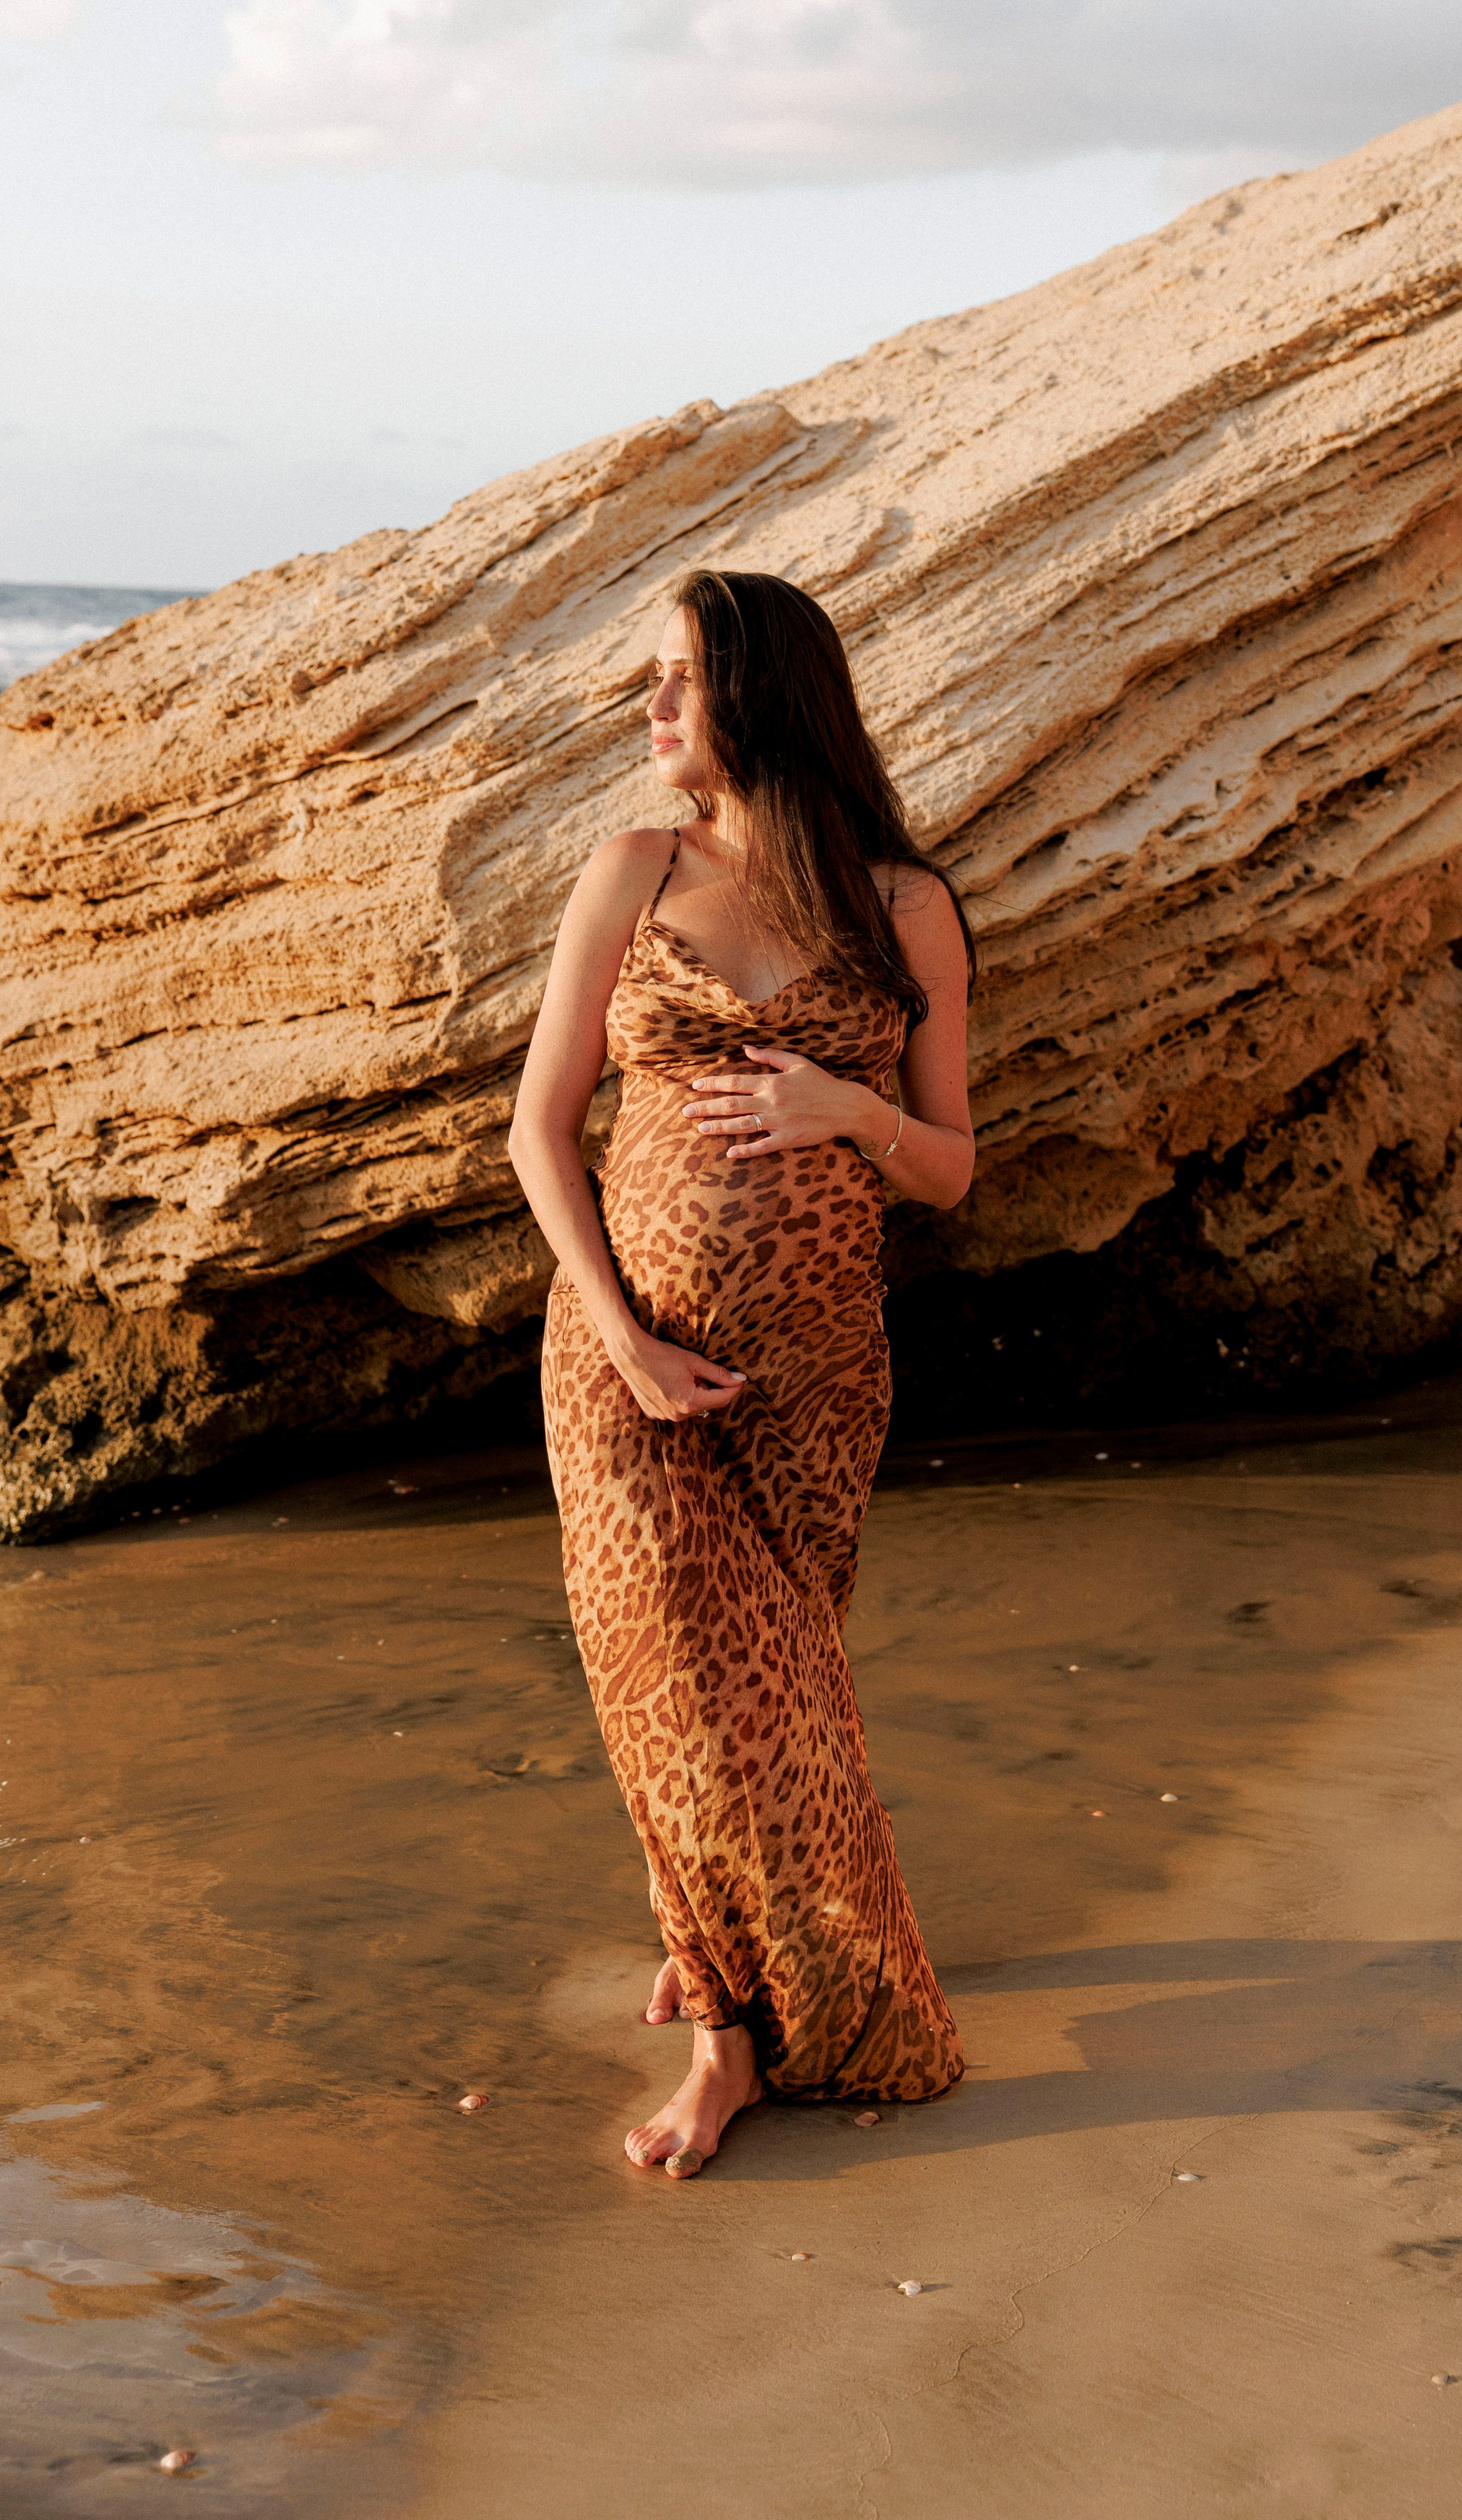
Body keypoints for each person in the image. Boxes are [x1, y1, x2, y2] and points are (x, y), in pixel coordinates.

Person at [509, 568, 974, 2179]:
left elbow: (951, 1168)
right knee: (683, 1689)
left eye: (673, 685)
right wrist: (623, 1338)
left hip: (815, 1377)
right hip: (623, 1360)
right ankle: (729, 2036)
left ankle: (704, 1919)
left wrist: (851, 1118)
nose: (646, 715)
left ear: (762, 702)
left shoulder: (903, 905)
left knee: (773, 1706)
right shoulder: (632, 871)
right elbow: (538, 1126)